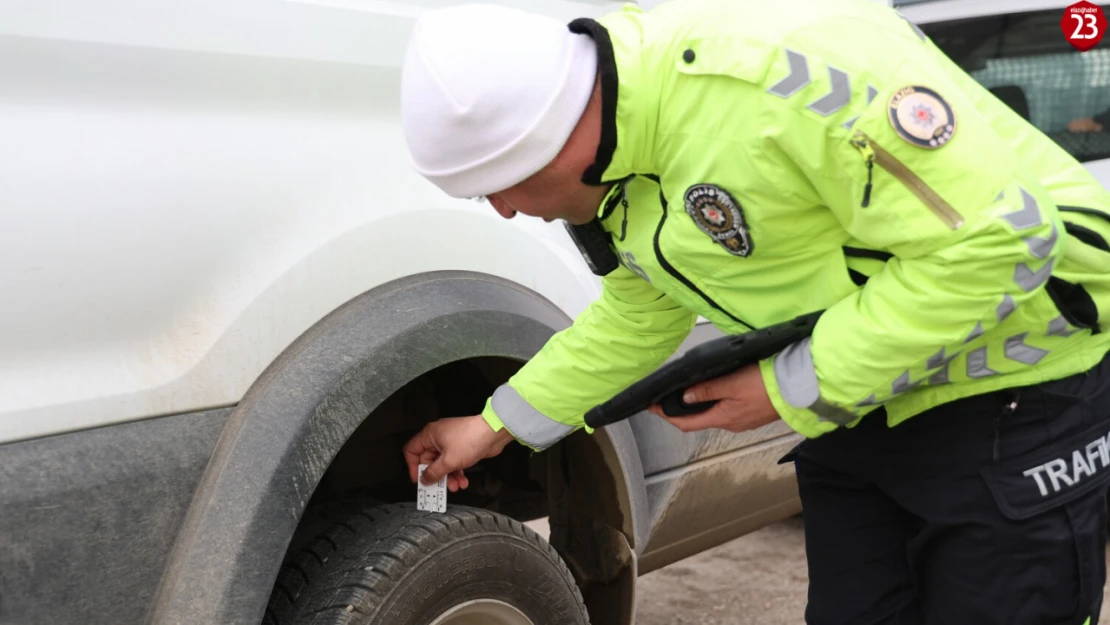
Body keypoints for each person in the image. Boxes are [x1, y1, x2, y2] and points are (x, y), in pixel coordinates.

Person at [398, 0, 1110, 622]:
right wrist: (498, 423)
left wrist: (784, 385)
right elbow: (639, 314)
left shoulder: (788, 77)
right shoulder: (615, 161)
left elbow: (1004, 241)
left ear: (550, 137)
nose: (505, 208)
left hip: (1015, 389)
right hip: (858, 397)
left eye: (502, 184)